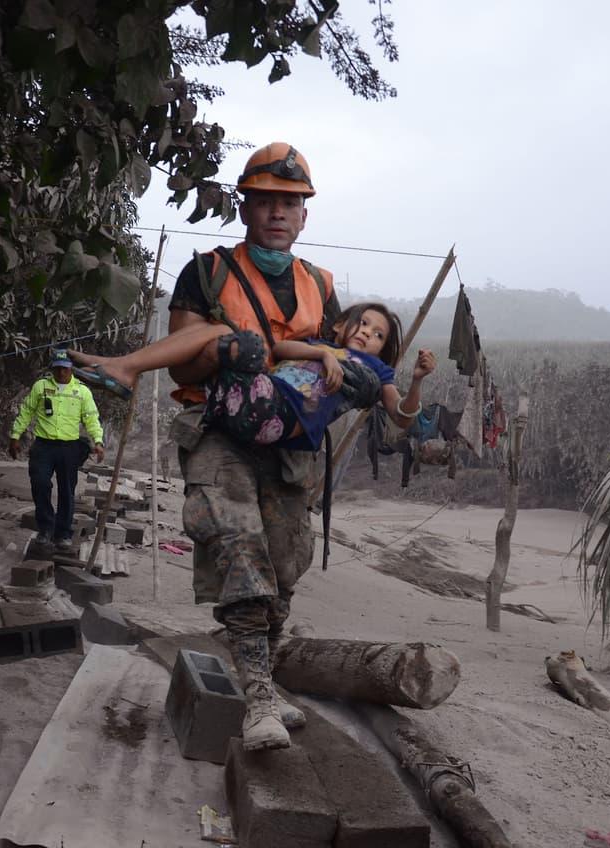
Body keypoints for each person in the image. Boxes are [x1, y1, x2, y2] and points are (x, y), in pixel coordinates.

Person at [122, 142, 434, 751]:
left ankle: (261, 676)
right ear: (246, 207)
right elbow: (182, 366)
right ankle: (259, 697)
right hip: (220, 428)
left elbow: (341, 361)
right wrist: (226, 354)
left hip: (290, 445)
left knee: (286, 562)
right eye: (266, 200)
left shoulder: (319, 285)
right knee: (240, 547)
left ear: (304, 216)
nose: (277, 212)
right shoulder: (207, 272)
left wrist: (364, 383)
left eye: (290, 203)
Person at [71, 302, 434, 449]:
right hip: (252, 399)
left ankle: (126, 367)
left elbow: (402, 416)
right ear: (339, 325)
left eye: (379, 335)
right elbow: (281, 348)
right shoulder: (318, 345)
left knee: (232, 339)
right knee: (222, 334)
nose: (368, 333)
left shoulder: (375, 370)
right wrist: (323, 353)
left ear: (382, 350)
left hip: (278, 416)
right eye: (364, 323)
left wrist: (417, 380)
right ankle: (124, 365)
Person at [9, 349, 105, 551]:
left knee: (67, 491)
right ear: (52, 368)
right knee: (40, 484)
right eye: (58, 368)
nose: (61, 373)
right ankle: (45, 528)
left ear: (72, 369)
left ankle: (62, 533)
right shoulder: (41, 387)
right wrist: (15, 435)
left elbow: (91, 418)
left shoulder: (82, 392)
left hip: (69, 448)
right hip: (43, 446)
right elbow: (26, 411)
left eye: (65, 369)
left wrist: (98, 441)